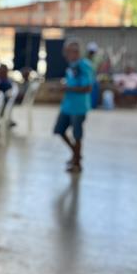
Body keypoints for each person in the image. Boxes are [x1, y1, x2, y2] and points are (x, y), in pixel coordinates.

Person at [53, 40, 94, 174]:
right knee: (59, 130)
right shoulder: (71, 66)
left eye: (68, 51)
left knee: (77, 135)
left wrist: (68, 88)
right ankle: (76, 154)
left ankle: (77, 162)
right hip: (67, 105)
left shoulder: (84, 66)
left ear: (75, 52)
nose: (65, 55)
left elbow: (88, 87)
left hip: (79, 106)